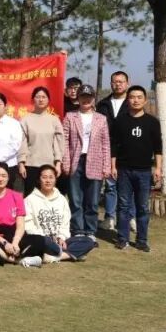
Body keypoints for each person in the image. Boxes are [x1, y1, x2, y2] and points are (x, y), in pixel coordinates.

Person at [111, 85, 162, 252]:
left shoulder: (152, 122)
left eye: (139, 97)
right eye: (132, 97)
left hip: (144, 171)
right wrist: (113, 166)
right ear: (128, 100)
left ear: (145, 100)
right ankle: (122, 238)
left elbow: (158, 148)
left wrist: (158, 168)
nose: (136, 100)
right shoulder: (120, 121)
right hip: (124, 170)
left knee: (143, 207)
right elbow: (114, 146)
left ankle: (141, 240)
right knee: (123, 206)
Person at [0, 163, 45, 267]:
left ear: (8, 177)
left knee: (39, 240)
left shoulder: (17, 196)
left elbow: (20, 225)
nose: (0, 179)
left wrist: (15, 243)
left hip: (12, 235)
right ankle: (14, 259)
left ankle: (5, 255)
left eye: (3, 176)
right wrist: (5, 243)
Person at [62, 84, 110, 239]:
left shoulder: (101, 119)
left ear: (93, 98)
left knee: (93, 201)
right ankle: (78, 230)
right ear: (78, 98)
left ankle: (90, 231)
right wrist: (66, 162)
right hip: (76, 161)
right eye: (83, 96)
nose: (86, 100)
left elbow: (105, 143)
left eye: (89, 97)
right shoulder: (70, 116)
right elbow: (64, 141)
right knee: (75, 200)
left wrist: (106, 166)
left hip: (95, 161)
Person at [24, 165, 94, 263]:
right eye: (44, 177)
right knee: (40, 242)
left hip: (59, 241)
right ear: (39, 180)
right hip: (42, 240)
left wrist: (61, 237)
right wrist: (47, 239)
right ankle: (72, 254)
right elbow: (29, 225)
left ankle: (55, 257)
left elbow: (65, 223)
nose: (48, 181)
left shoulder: (62, 199)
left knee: (88, 241)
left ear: (55, 179)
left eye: (51, 177)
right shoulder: (29, 200)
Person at [96, 70, 132, 229]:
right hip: (108, 149)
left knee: (128, 186)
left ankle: (129, 217)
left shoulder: (132, 102)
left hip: (128, 150)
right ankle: (109, 217)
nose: (118, 85)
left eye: (121, 82)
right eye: (115, 82)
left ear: (127, 83)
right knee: (110, 185)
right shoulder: (103, 104)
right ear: (111, 84)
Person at [18, 86, 65, 198]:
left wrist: (58, 163)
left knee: (49, 196)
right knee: (30, 196)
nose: (41, 99)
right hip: (31, 164)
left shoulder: (54, 120)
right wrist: (21, 163)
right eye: (38, 97)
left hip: (49, 165)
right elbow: (22, 143)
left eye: (44, 97)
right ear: (33, 99)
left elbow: (58, 143)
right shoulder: (25, 119)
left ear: (48, 100)